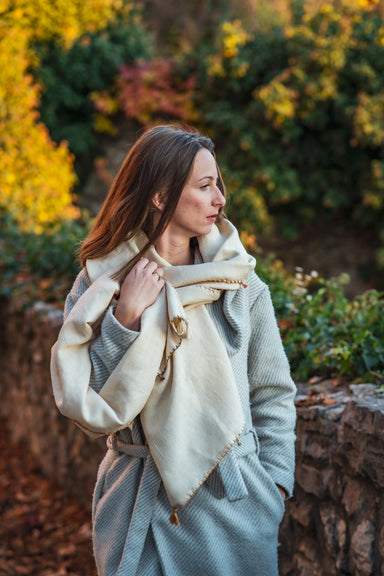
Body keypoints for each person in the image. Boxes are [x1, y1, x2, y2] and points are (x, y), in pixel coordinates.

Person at [50, 124, 296, 576]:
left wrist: (275, 487)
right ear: (160, 196)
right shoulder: (98, 285)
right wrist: (125, 318)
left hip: (234, 505)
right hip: (137, 506)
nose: (220, 198)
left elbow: (272, 392)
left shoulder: (239, 283)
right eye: (205, 187)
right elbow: (90, 403)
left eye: (217, 185)